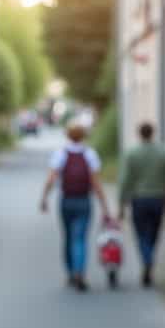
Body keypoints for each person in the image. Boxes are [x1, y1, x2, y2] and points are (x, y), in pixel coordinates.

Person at [39, 124, 111, 291]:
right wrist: (104, 206)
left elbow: (51, 178)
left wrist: (44, 198)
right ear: (84, 136)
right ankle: (80, 271)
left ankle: (71, 272)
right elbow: (96, 183)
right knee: (80, 238)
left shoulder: (61, 154)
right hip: (84, 201)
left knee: (68, 237)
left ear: (68, 136)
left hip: (66, 200)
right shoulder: (90, 154)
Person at [118, 122, 165, 288]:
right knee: (154, 234)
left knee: (141, 234)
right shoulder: (164, 153)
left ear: (139, 134)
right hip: (158, 200)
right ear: (153, 133)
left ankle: (146, 260)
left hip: (139, 200)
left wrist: (121, 205)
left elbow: (125, 181)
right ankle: (149, 260)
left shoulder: (132, 154)